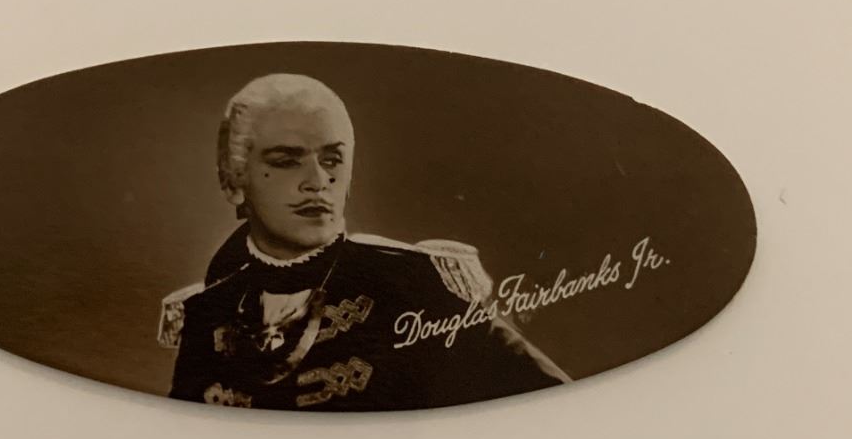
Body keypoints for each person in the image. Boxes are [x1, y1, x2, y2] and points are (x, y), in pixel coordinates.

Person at [159, 73, 568, 411]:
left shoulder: (415, 284)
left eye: (332, 160)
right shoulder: (206, 314)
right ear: (232, 180)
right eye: (286, 161)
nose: (318, 181)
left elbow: (555, 408)